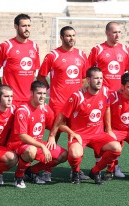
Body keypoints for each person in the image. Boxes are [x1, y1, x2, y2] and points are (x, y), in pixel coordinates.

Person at [49, 67, 122, 185]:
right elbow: (61, 118)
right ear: (88, 80)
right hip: (79, 134)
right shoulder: (77, 96)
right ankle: (75, 171)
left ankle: (95, 171)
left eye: (101, 78)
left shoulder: (105, 92)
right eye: (96, 78)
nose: (99, 81)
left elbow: (107, 108)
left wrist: (108, 129)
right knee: (74, 154)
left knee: (117, 148)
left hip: (98, 134)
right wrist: (53, 135)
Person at [37, 25, 89, 181]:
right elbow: (41, 76)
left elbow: (85, 78)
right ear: (61, 37)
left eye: (73, 35)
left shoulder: (81, 55)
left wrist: (77, 93)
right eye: (68, 35)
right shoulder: (52, 56)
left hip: (76, 106)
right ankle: (46, 170)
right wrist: (49, 90)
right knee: (54, 138)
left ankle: (76, 170)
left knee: (75, 138)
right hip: (58, 105)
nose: (71, 38)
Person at [88, 21, 129, 178]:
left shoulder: (125, 50)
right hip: (101, 98)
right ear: (107, 33)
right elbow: (89, 73)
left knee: (117, 131)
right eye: (114, 32)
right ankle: (98, 162)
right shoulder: (97, 50)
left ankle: (114, 166)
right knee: (98, 130)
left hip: (119, 99)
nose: (117, 35)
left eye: (119, 32)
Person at [7, 81, 67, 188]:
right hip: (18, 144)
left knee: (63, 155)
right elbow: (22, 136)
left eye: (44, 94)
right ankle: (19, 176)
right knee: (31, 150)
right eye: (39, 93)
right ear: (31, 93)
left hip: (37, 144)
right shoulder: (23, 110)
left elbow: (54, 125)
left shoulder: (45, 108)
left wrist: (53, 136)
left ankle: (31, 171)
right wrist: (42, 146)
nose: (42, 96)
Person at [0, 13, 40, 106]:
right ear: (16, 27)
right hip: (11, 101)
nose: (27, 29)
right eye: (24, 26)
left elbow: (34, 72)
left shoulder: (35, 46)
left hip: (29, 100)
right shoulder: (6, 46)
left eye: (29, 26)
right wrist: (2, 90)